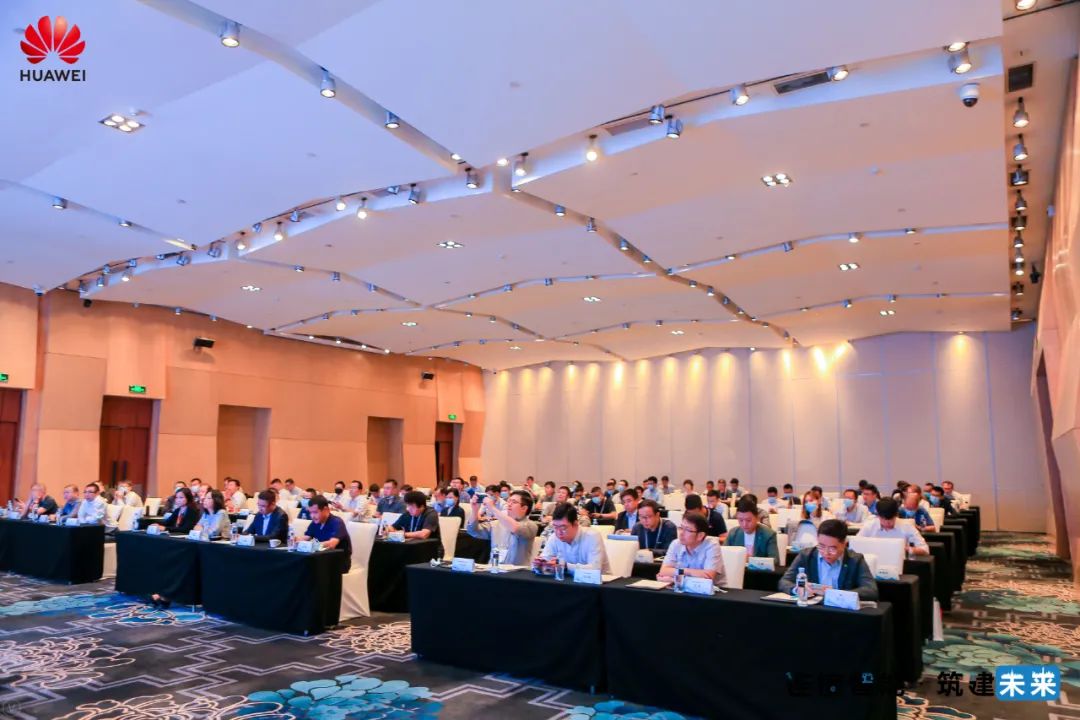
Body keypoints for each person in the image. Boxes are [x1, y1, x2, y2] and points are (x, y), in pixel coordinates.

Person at [779, 519, 878, 600]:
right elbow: (784, 582)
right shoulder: (806, 555)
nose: (826, 553)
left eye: (832, 548)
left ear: (844, 544)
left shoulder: (855, 560)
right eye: (821, 546)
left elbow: (871, 591)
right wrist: (797, 589)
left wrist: (836, 594)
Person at [468, 490, 538, 565]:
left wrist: (492, 508)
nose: (509, 504)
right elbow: (473, 530)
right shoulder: (496, 524)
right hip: (494, 569)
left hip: (517, 571)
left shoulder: (531, 526)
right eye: (509, 501)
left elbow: (515, 528)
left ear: (524, 508)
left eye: (514, 502)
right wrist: (475, 510)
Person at [657, 513, 727, 587]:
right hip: (682, 589)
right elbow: (663, 571)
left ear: (700, 535)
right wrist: (689, 572)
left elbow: (708, 577)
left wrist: (674, 578)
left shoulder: (712, 545)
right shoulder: (676, 544)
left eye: (687, 530)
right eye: (681, 528)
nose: (681, 533)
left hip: (714, 591)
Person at [538, 503, 609, 574]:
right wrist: (540, 564)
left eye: (563, 528)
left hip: (602, 580)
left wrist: (566, 567)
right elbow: (545, 559)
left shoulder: (592, 536)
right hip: (566, 579)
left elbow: (595, 569)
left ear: (575, 524)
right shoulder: (554, 537)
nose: (558, 532)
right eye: (555, 527)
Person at [857, 497, 930, 555]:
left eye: (891, 519)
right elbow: (855, 545)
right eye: (883, 519)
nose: (887, 523)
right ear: (878, 515)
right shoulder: (869, 526)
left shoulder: (906, 526)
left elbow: (925, 549)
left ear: (896, 515)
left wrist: (908, 549)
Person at [301, 497, 352, 572]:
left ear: (326, 510)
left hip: (338, 562)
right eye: (310, 512)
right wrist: (296, 540)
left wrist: (311, 546)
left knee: (308, 570)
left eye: (315, 512)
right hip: (321, 559)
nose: (312, 516)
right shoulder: (315, 522)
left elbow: (331, 544)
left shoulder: (337, 522)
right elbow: (306, 537)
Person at [725, 498, 780, 564]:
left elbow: (775, 560)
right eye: (741, 520)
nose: (744, 524)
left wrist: (751, 560)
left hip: (759, 570)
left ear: (757, 518)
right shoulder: (733, 533)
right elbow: (724, 555)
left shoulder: (768, 534)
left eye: (748, 520)